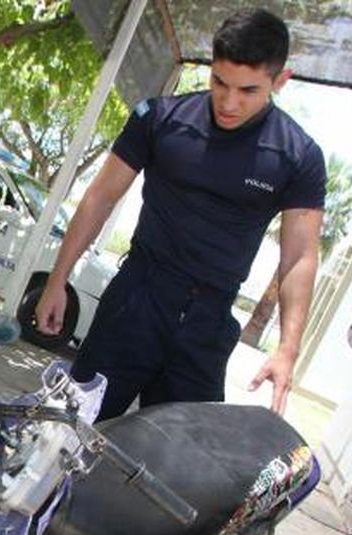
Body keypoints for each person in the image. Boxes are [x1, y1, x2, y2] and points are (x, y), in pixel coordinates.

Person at [35, 8, 325, 420]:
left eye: (248, 91)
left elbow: (299, 256)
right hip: (136, 300)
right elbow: (100, 197)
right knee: (71, 430)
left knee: (176, 465)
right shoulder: (159, 118)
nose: (229, 101)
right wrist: (58, 280)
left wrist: (287, 349)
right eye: (219, 82)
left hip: (207, 325)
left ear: (280, 81)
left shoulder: (298, 156)